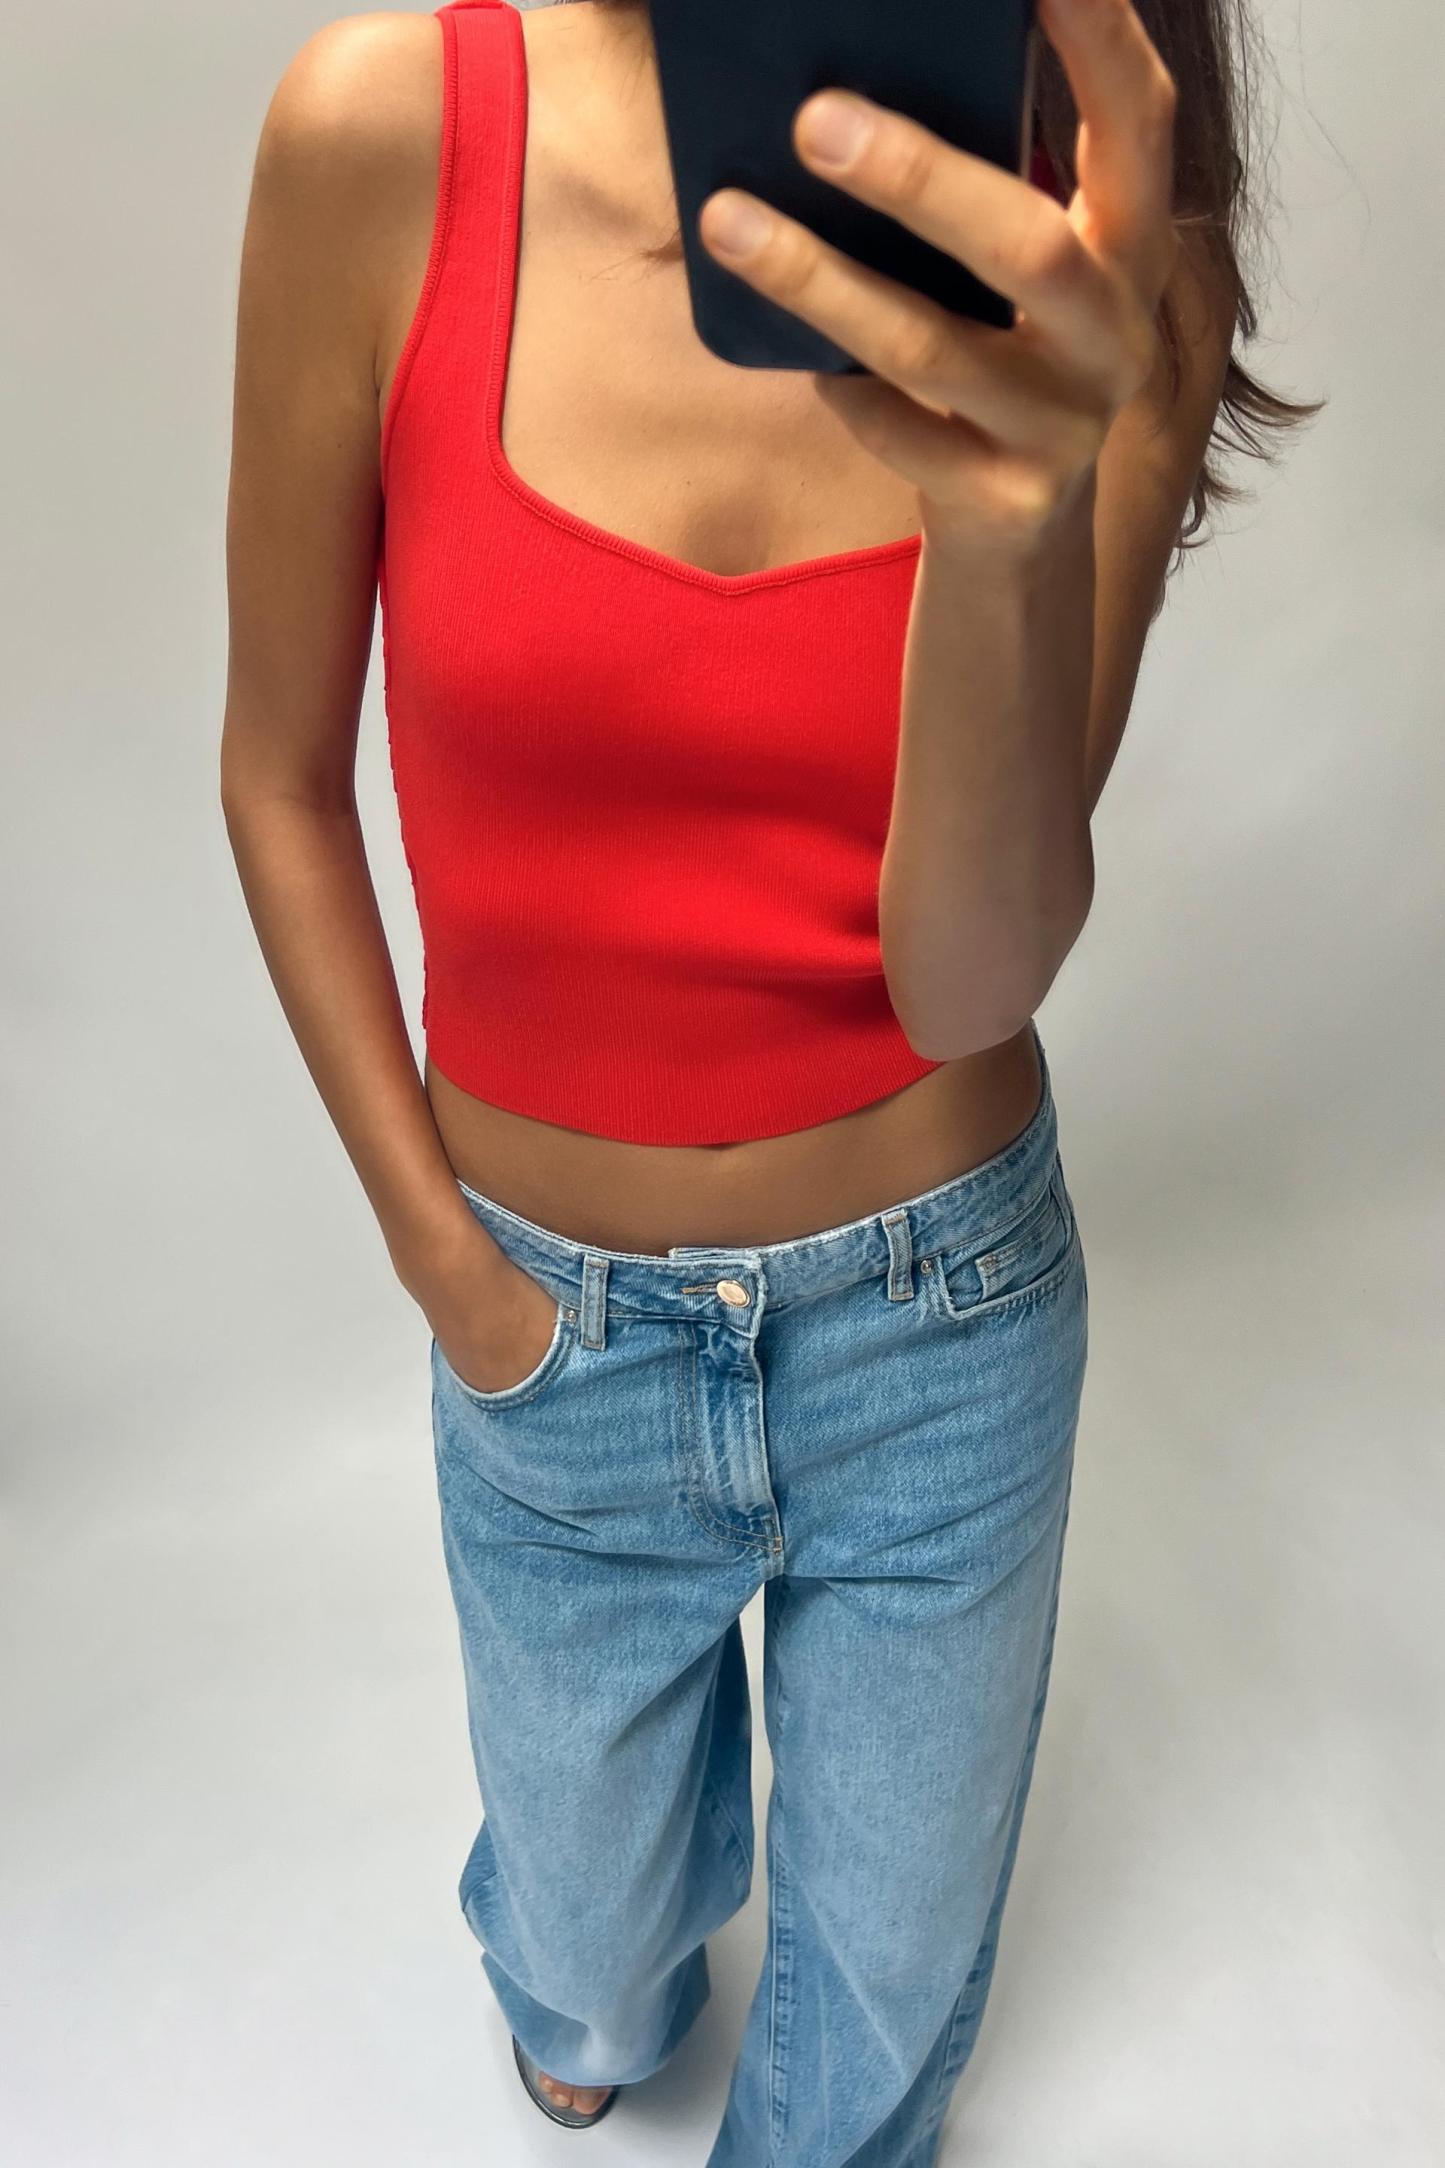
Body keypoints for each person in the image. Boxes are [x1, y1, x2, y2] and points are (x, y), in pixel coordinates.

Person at [220, 0, 1314, 2157]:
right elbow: (277, 774)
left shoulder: (1109, 247)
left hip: (942, 1325)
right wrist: (455, 1277)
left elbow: (970, 977)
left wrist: (1000, 533)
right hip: (546, 1323)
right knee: (585, 1965)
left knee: (866, 2045)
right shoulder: (390, 127)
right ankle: (601, 1949)